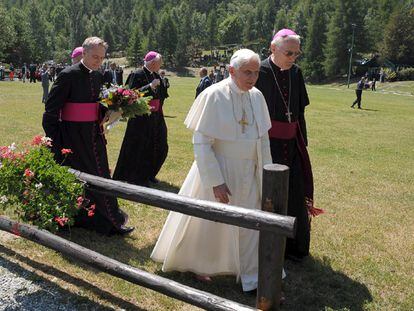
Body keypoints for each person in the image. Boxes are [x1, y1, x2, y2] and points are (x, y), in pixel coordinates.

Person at [151, 49, 273, 293]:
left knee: (250, 222)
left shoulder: (257, 97)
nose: (252, 78)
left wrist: (267, 173)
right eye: (247, 72)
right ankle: (200, 265)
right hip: (220, 167)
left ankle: (252, 274)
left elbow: (263, 139)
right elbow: (202, 143)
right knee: (209, 223)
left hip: (250, 170)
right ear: (231, 71)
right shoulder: (213, 95)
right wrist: (215, 180)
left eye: (256, 73)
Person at [42, 36, 133, 236]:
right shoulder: (68, 75)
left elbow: (97, 106)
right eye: (95, 57)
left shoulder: (98, 76)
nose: (98, 61)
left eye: (101, 58)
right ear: (83, 53)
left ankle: (107, 220)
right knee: (77, 178)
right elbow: (50, 111)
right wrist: (56, 139)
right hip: (72, 138)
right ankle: (74, 218)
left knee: (100, 175)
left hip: (93, 135)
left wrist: (108, 112)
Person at [255, 28, 322, 261]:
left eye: (297, 54)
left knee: (295, 192)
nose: (293, 58)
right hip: (267, 143)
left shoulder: (296, 73)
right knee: (267, 194)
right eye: (289, 53)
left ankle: (295, 247)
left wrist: (302, 139)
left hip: (292, 145)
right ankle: (265, 244)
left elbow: (300, 111)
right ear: (273, 48)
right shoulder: (260, 71)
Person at [114, 51, 168, 186]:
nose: (161, 66)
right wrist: (149, 87)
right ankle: (136, 177)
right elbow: (129, 94)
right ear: (152, 63)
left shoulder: (157, 76)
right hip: (140, 118)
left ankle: (150, 173)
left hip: (156, 116)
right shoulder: (136, 74)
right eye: (159, 63)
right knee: (140, 147)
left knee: (160, 146)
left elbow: (162, 96)